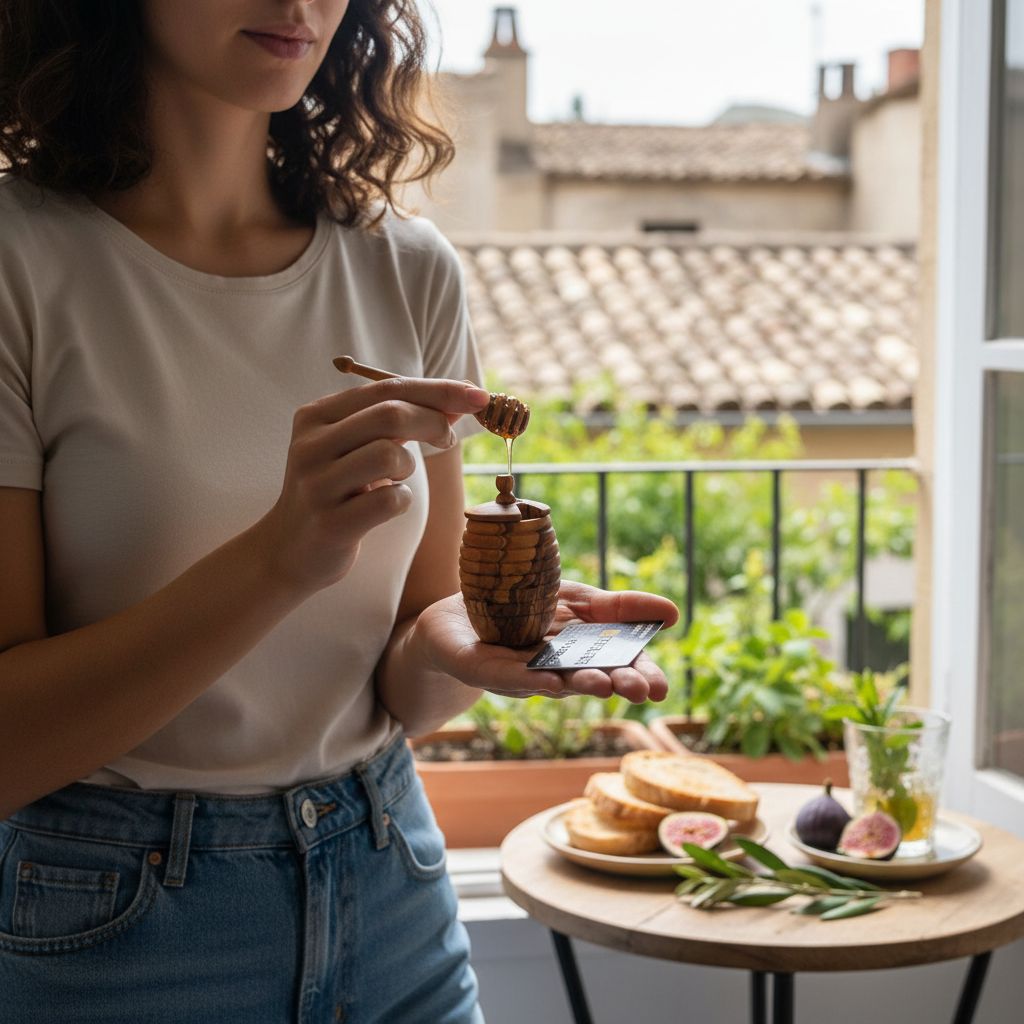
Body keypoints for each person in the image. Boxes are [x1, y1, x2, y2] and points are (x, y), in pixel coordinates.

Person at [0, 2, 679, 1021]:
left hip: (389, 885)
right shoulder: (22, 262)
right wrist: (280, 558)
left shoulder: (405, 269)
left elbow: (407, 692)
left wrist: (459, 647)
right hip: (111, 925)